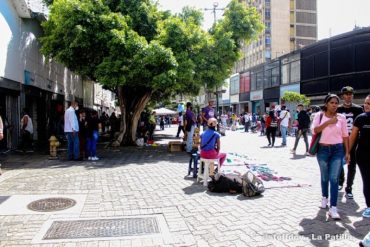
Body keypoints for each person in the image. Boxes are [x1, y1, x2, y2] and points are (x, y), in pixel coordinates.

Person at [311, 94, 349, 219]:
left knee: (334, 179)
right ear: (326, 104)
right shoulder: (319, 115)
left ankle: (333, 208)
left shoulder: (341, 117)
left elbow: (345, 136)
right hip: (322, 150)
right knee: (324, 176)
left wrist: (347, 152)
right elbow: (315, 130)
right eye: (332, 102)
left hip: (337, 150)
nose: (334, 105)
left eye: (336, 103)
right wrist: (328, 122)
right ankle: (324, 197)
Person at [337, 86, 363, 199]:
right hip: (340, 141)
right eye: (346, 94)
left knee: (352, 165)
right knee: (339, 163)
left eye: (350, 94)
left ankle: (349, 188)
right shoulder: (337, 109)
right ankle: (340, 182)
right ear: (342, 96)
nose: (349, 96)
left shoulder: (358, 109)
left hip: (354, 141)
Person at [348, 94, 370, 218]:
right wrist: (347, 152)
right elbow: (352, 137)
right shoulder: (360, 118)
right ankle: (369, 206)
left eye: (369, 104)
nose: (366, 106)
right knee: (367, 180)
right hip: (363, 154)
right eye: (365, 103)